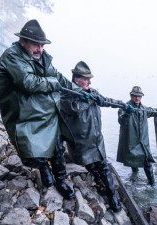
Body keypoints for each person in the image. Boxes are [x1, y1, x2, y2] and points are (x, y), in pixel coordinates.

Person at [0, 19, 75, 199]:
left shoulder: (43, 57)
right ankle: (42, 167)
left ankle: (61, 181)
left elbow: (58, 77)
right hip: (25, 113)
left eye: (42, 45)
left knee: (57, 149)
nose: (40, 49)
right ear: (22, 41)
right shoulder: (11, 56)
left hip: (48, 111)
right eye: (35, 44)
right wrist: (54, 84)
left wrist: (80, 91)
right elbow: (28, 82)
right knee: (32, 156)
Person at [60, 61, 134, 212]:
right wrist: (90, 99)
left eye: (89, 79)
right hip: (81, 142)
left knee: (104, 167)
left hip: (96, 140)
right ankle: (101, 183)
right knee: (91, 165)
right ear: (76, 79)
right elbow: (74, 108)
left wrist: (123, 105)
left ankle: (112, 198)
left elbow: (106, 101)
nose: (89, 82)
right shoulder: (67, 94)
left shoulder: (92, 92)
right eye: (86, 79)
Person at [117, 86, 157, 186]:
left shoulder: (144, 108)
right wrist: (127, 113)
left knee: (147, 162)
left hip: (142, 142)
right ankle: (135, 176)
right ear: (131, 95)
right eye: (135, 96)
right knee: (133, 160)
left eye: (139, 96)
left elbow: (155, 111)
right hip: (130, 141)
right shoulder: (124, 107)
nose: (137, 98)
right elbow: (121, 121)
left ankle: (152, 185)